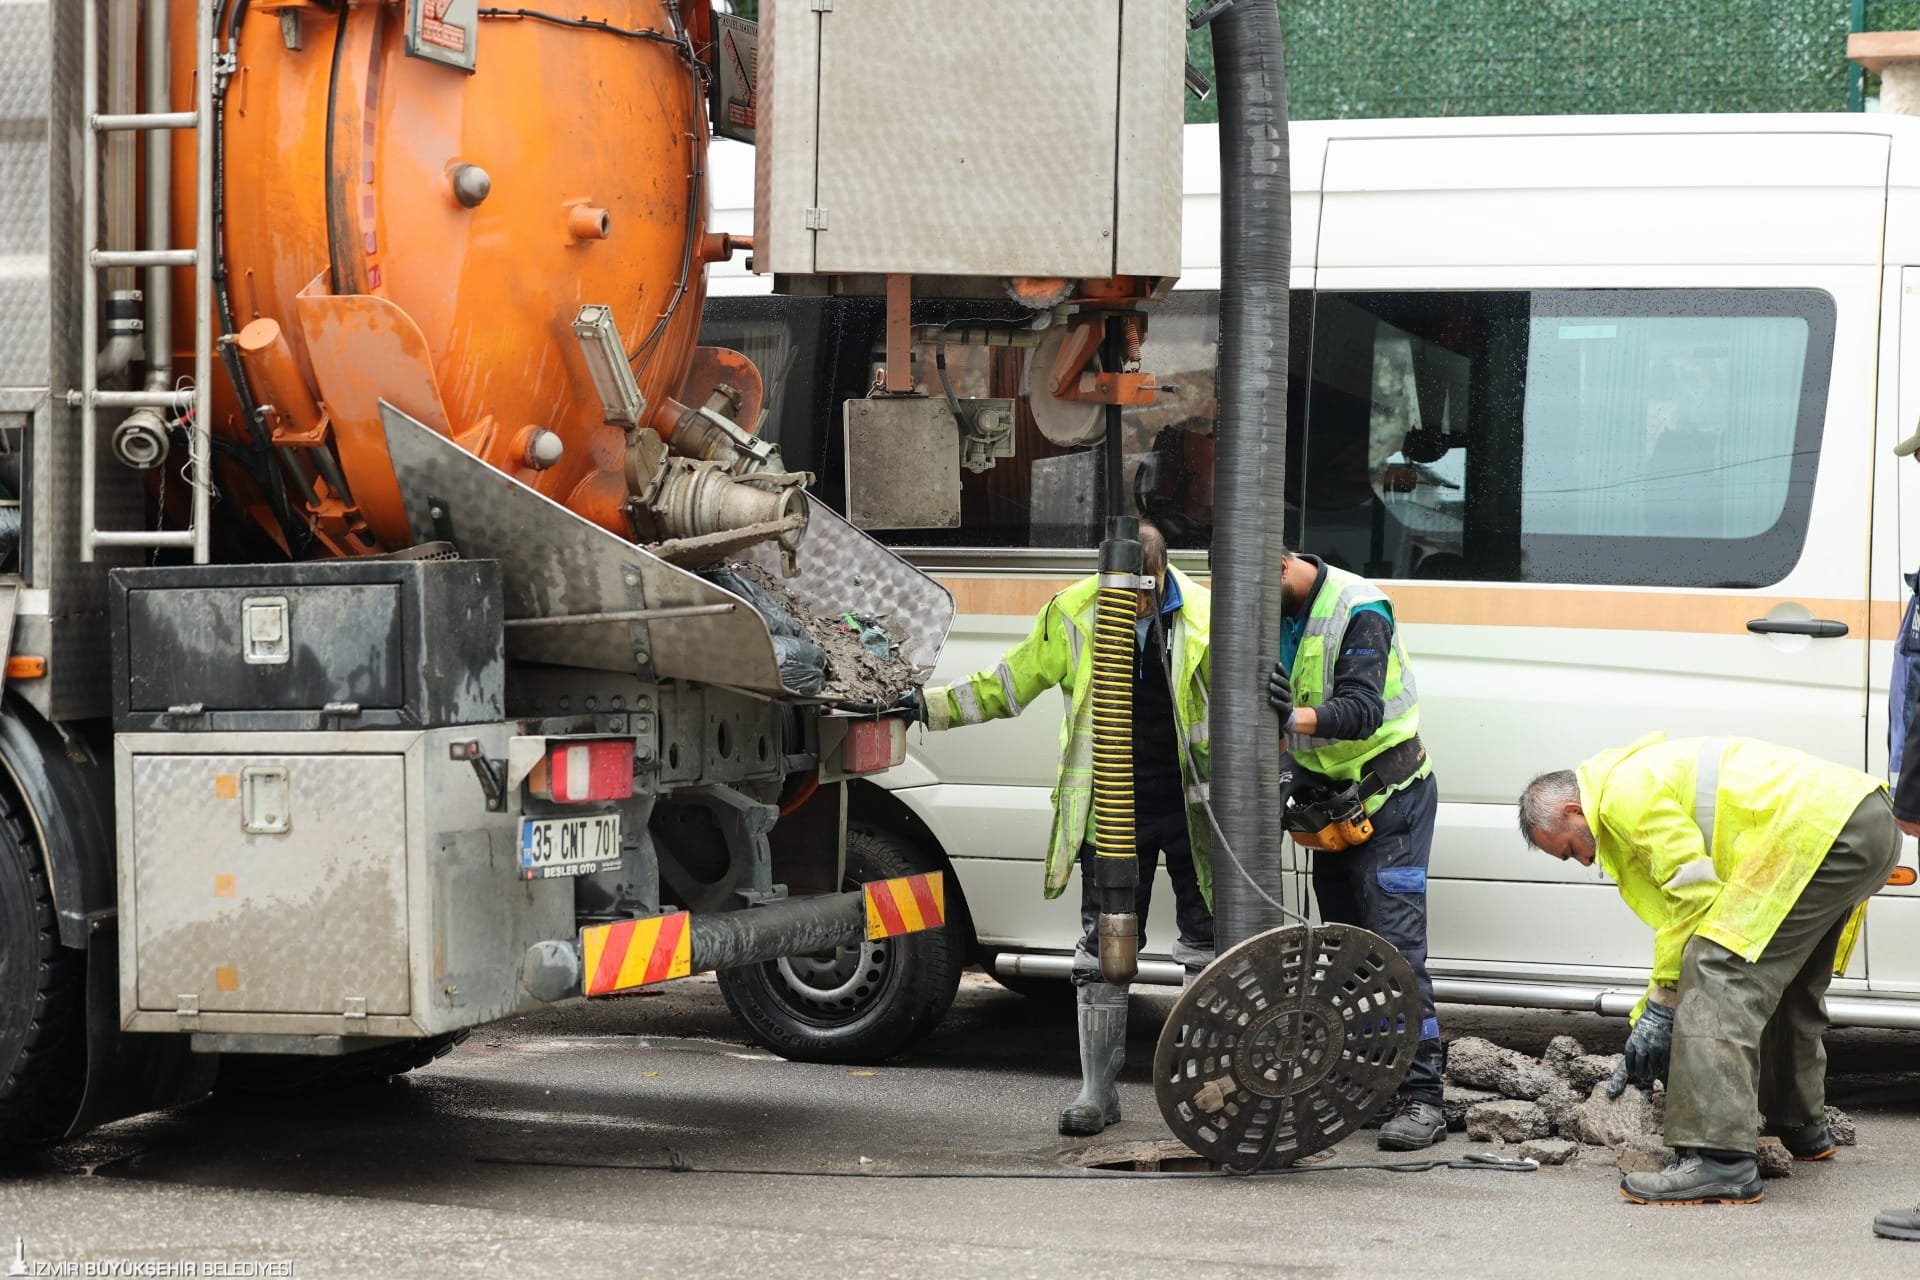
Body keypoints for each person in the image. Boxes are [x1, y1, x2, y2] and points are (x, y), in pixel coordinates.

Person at [909, 520, 1213, 1136]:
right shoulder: (1074, 611)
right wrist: (920, 706)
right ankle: (1098, 1092)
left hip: (1194, 811)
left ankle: (1210, 1087)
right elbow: (1006, 686)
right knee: (1103, 949)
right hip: (1113, 810)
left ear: (1159, 580)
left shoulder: (1207, 615)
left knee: (1210, 949)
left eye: (1141, 600)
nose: (1129, 610)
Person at [1518, 734, 1898, 1206]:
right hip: (1863, 821)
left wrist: (1661, 1008)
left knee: (1719, 968)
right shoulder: (1633, 779)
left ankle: (1721, 1162)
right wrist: (1648, 1015)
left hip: (1823, 831)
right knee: (1782, 982)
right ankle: (1798, 1125)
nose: (1585, 861)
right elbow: (1684, 925)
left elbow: (1694, 899)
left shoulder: (1623, 797)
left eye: (1570, 849)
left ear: (1574, 810)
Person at [1266, 548, 1443, 1152]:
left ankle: (1422, 1096)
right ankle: (1374, 1085)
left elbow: (1364, 710)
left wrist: (1295, 718)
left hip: (1390, 801)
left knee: (1396, 948)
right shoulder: (1275, 607)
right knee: (1347, 955)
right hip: (1334, 806)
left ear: (1284, 563)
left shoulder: (1358, 606)